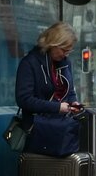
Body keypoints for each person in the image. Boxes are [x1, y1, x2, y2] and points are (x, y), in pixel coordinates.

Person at [15, 21, 84, 157]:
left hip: (60, 129)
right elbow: (24, 100)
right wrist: (57, 107)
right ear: (52, 44)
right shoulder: (29, 63)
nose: (65, 55)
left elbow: (70, 92)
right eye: (63, 50)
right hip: (38, 131)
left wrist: (73, 103)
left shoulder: (65, 63)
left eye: (69, 51)